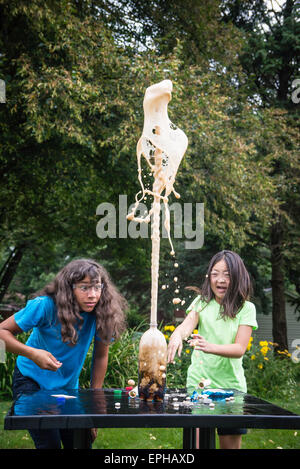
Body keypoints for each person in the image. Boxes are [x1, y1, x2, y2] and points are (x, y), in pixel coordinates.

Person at [0, 258, 127, 449]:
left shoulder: (102, 311)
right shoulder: (44, 306)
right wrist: (33, 354)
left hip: (68, 388)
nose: (92, 295)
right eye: (84, 288)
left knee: (80, 444)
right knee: (49, 444)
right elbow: (2, 333)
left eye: (97, 287)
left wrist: (93, 404)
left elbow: (100, 356)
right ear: (69, 288)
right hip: (31, 381)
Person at [167, 250, 258, 450]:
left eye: (227, 274)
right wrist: (176, 335)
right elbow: (186, 326)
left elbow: (239, 348)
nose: (220, 280)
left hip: (231, 389)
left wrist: (210, 347)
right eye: (215, 274)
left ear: (237, 276)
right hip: (199, 389)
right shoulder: (201, 303)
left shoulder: (247, 308)